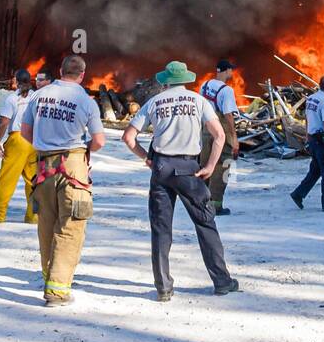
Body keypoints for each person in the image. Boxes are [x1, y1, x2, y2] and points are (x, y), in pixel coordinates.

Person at [123, 60, 240, 302]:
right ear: (186, 79)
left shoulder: (154, 102)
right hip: (189, 169)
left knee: (161, 229)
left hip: (162, 168)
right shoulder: (198, 100)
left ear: (165, 81)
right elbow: (219, 135)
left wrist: (147, 158)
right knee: (205, 224)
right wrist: (209, 166)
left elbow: (128, 137)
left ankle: (163, 288)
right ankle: (222, 281)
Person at [20, 55, 105, 306]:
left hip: (44, 166)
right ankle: (57, 290)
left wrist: (45, 145)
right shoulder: (86, 101)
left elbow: (25, 131)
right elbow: (99, 141)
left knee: (46, 223)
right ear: (82, 74)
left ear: (60, 71)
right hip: (73, 168)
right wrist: (83, 148)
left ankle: (50, 276)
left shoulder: (39, 95)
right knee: (70, 226)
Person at [0, 69, 38, 224]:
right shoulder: (36, 97)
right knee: (33, 180)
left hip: (18, 139)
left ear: (16, 81)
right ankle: (34, 216)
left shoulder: (12, 99)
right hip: (34, 139)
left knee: (5, 179)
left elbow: (4, 122)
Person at [290, 75, 324, 212]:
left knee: (315, 170)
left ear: (319, 85)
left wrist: (308, 136)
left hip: (314, 139)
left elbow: (308, 118)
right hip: (322, 141)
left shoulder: (311, 98)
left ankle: (298, 194)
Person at [198, 59, 241, 216]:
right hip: (221, 130)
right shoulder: (226, 91)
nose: (232, 73)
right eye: (231, 70)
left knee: (204, 164)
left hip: (205, 130)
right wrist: (234, 138)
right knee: (222, 166)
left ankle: (201, 203)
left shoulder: (205, 85)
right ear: (226, 70)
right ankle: (216, 206)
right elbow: (228, 115)